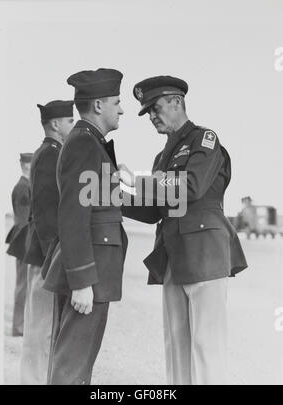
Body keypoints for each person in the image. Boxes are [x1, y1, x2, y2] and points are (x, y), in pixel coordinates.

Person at [119, 75, 248, 385]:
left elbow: (191, 187)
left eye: (155, 108)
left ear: (176, 103)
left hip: (205, 254)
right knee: (176, 344)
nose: (152, 117)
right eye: (147, 112)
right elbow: (154, 211)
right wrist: (114, 196)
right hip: (174, 255)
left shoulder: (205, 140)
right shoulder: (161, 157)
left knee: (207, 345)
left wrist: (137, 180)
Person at [43, 68, 128, 385]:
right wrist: (81, 282)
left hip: (94, 272)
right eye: (117, 102)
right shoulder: (83, 144)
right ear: (98, 105)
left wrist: (173, 197)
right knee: (72, 367)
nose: (121, 109)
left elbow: (113, 198)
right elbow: (73, 215)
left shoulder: (90, 142)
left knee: (77, 366)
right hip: (88, 274)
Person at [20, 100, 74, 385]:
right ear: (55, 124)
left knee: (43, 326)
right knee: (41, 328)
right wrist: (54, 256)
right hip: (45, 256)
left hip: (43, 254)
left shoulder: (50, 152)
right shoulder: (51, 154)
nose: (73, 127)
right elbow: (45, 214)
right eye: (70, 122)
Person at [6, 153, 33, 336]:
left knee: (24, 283)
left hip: (24, 239)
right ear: (26, 166)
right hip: (23, 240)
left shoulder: (25, 185)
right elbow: (23, 222)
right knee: (23, 284)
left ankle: (20, 324)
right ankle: (17, 327)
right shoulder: (23, 187)